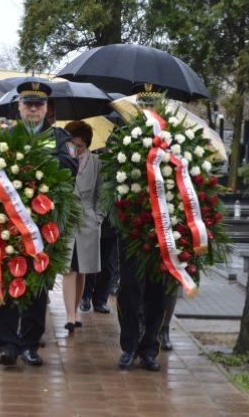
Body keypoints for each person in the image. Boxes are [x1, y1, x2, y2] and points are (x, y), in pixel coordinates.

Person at [0, 80, 78, 367]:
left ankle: (30, 343)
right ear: (18, 106)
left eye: (38, 104)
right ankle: (7, 342)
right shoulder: (4, 136)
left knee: (37, 284)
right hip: (8, 222)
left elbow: (69, 167)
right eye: (28, 103)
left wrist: (32, 160)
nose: (33, 109)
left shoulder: (59, 138)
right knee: (7, 279)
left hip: (44, 224)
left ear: (46, 108)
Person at [116, 82, 170, 372]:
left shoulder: (175, 137)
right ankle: (129, 346)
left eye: (153, 103)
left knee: (157, 291)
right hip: (132, 227)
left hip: (163, 227)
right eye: (144, 103)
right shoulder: (123, 135)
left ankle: (150, 348)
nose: (148, 109)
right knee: (128, 289)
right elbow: (114, 178)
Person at [62, 120, 103, 333]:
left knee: (82, 269)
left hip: (88, 220)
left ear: (86, 143)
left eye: (80, 146)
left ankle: (77, 309)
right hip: (68, 218)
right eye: (73, 145)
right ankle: (69, 315)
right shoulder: (63, 160)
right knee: (68, 268)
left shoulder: (97, 162)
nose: (76, 149)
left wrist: (98, 217)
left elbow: (102, 194)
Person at [80, 215, 117, 314]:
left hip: (111, 221)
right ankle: (85, 296)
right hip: (92, 217)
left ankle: (101, 300)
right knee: (89, 260)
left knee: (108, 264)